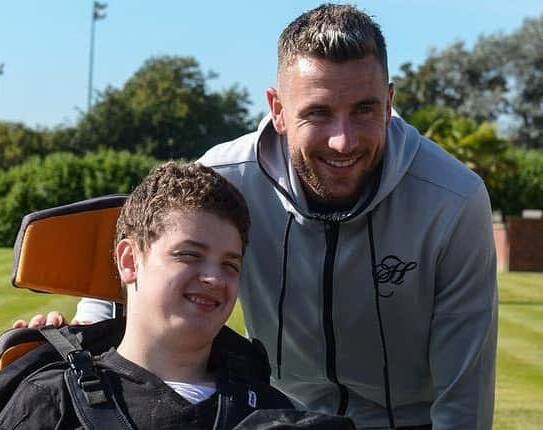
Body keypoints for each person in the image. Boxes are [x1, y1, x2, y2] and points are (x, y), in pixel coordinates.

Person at [27, 4, 498, 429]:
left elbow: (465, 394)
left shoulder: (453, 198)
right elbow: (143, 239)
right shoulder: (225, 176)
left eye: (364, 110)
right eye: (318, 113)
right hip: (276, 417)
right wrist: (81, 333)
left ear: (390, 101)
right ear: (278, 110)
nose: (344, 140)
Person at [0, 162, 297, 429]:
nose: (214, 278)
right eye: (189, 254)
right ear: (129, 261)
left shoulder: (274, 413)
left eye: (230, 264)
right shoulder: (53, 404)